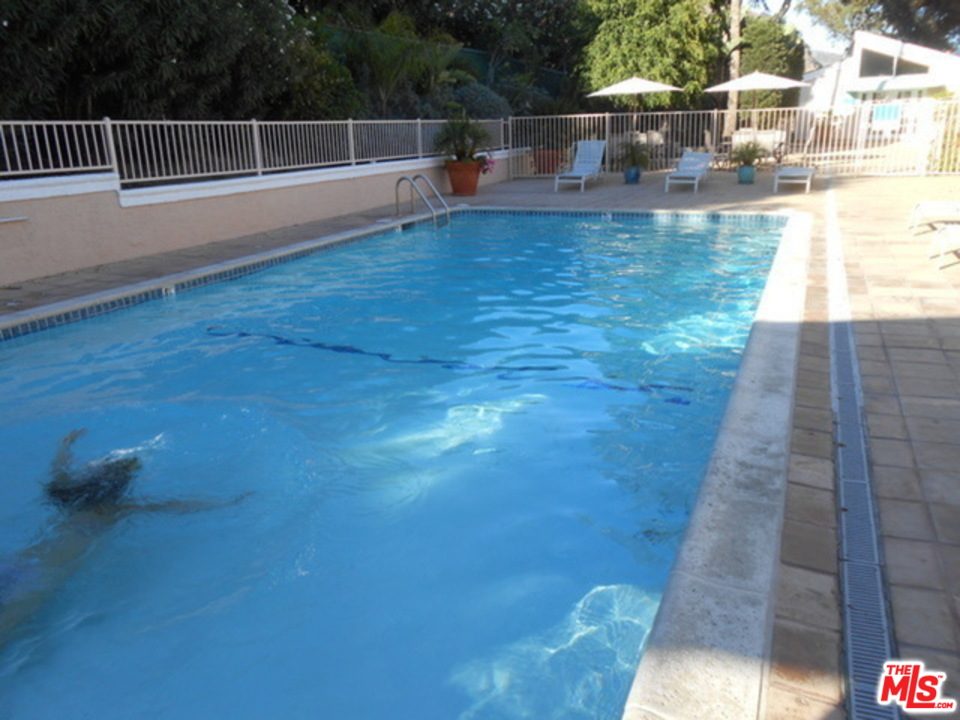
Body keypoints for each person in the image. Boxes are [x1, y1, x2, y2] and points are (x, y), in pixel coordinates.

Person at [1, 429, 250, 651]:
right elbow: (173, 506)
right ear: (120, 489)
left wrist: (65, 444)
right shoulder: (116, 511)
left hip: (15, 563)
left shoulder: (67, 497)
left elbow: (59, 468)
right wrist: (225, 503)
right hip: (40, 577)